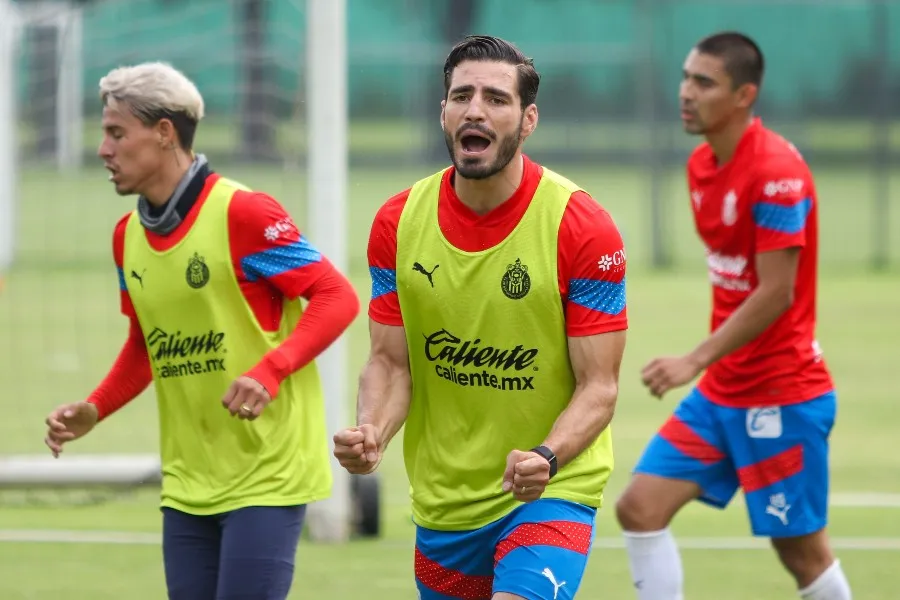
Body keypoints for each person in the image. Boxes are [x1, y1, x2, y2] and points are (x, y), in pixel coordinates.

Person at [42, 62, 359, 600]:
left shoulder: (244, 212)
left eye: (117, 133)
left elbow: (337, 296)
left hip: (267, 474)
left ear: (165, 133)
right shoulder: (127, 237)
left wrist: (271, 369)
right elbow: (148, 346)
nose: (103, 149)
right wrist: (96, 407)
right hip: (187, 483)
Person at [332, 35, 628, 600]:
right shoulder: (397, 223)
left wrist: (547, 457)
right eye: (461, 95)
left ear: (528, 118)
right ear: (441, 111)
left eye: (496, 98)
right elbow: (391, 364)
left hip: (551, 492)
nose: (475, 109)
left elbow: (600, 386)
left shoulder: (582, 226)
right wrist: (372, 429)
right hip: (446, 500)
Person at [615, 32, 853, 600]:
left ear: (745, 95)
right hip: (725, 392)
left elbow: (776, 294)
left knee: (801, 553)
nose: (686, 92)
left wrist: (692, 359)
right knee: (639, 507)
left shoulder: (776, 173)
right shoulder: (702, 164)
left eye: (704, 83)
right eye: (685, 77)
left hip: (781, 394)